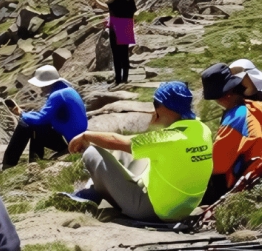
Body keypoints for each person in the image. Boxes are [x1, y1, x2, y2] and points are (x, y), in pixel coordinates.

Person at [66, 82, 212, 221]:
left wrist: (86, 135)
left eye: (156, 104)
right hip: (182, 208)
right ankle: (92, 190)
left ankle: (88, 195)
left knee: (93, 153)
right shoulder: (202, 129)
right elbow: (142, 144)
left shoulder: (167, 139)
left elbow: (118, 141)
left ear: (164, 108)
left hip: (153, 210)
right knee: (124, 152)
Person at [2, 64, 88, 169]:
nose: (40, 88)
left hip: (72, 142)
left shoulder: (57, 95)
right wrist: (24, 113)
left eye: (41, 85)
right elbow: (45, 116)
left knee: (25, 123)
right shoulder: (67, 91)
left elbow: (41, 118)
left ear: (47, 84)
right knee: (34, 125)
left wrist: (21, 113)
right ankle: (34, 161)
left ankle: (9, 164)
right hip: (78, 137)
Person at [202, 63, 262, 203]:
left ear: (224, 96)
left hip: (247, 182)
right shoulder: (254, 106)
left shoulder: (235, 117)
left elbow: (216, 166)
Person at [88, 0, 137, 85]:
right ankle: (125, 79)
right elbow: (133, 10)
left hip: (116, 27)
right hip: (127, 26)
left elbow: (105, 7)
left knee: (117, 55)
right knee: (124, 54)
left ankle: (118, 80)